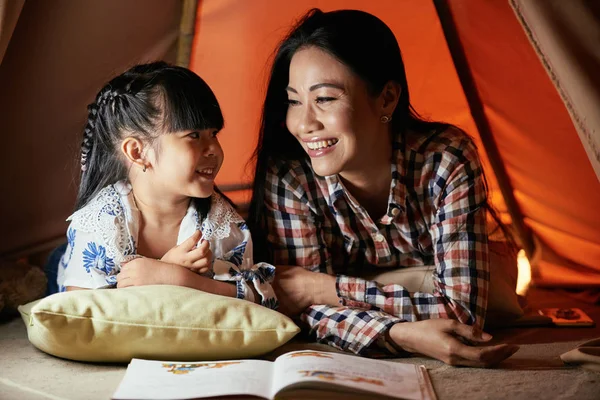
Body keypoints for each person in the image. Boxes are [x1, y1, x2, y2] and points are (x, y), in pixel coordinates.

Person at [248, 9, 519, 366]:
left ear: (387, 98)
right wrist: (400, 334)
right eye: (295, 101)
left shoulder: (444, 160)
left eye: (325, 99)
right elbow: (300, 308)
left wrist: (327, 287)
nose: (304, 123)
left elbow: (461, 312)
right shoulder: (290, 175)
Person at [57, 62, 276, 309]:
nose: (213, 149)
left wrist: (181, 278)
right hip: (67, 260)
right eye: (193, 135)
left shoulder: (222, 224)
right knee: (52, 263)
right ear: (137, 152)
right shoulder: (100, 222)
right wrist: (159, 273)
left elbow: (261, 300)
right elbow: (77, 308)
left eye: (213, 133)